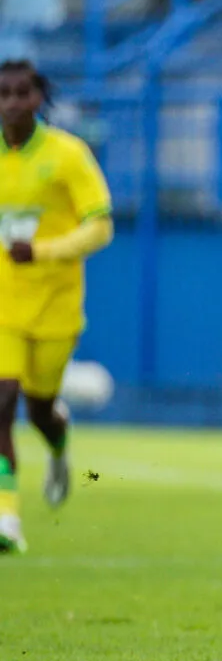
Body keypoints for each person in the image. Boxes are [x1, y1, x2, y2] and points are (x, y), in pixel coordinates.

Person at [0, 59, 114, 555]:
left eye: (21, 93)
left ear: (38, 98)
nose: (11, 103)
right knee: (0, 406)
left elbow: (100, 226)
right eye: (3, 94)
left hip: (54, 307)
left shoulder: (68, 155)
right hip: (4, 306)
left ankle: (59, 447)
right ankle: (7, 516)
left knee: (40, 410)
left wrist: (43, 251)